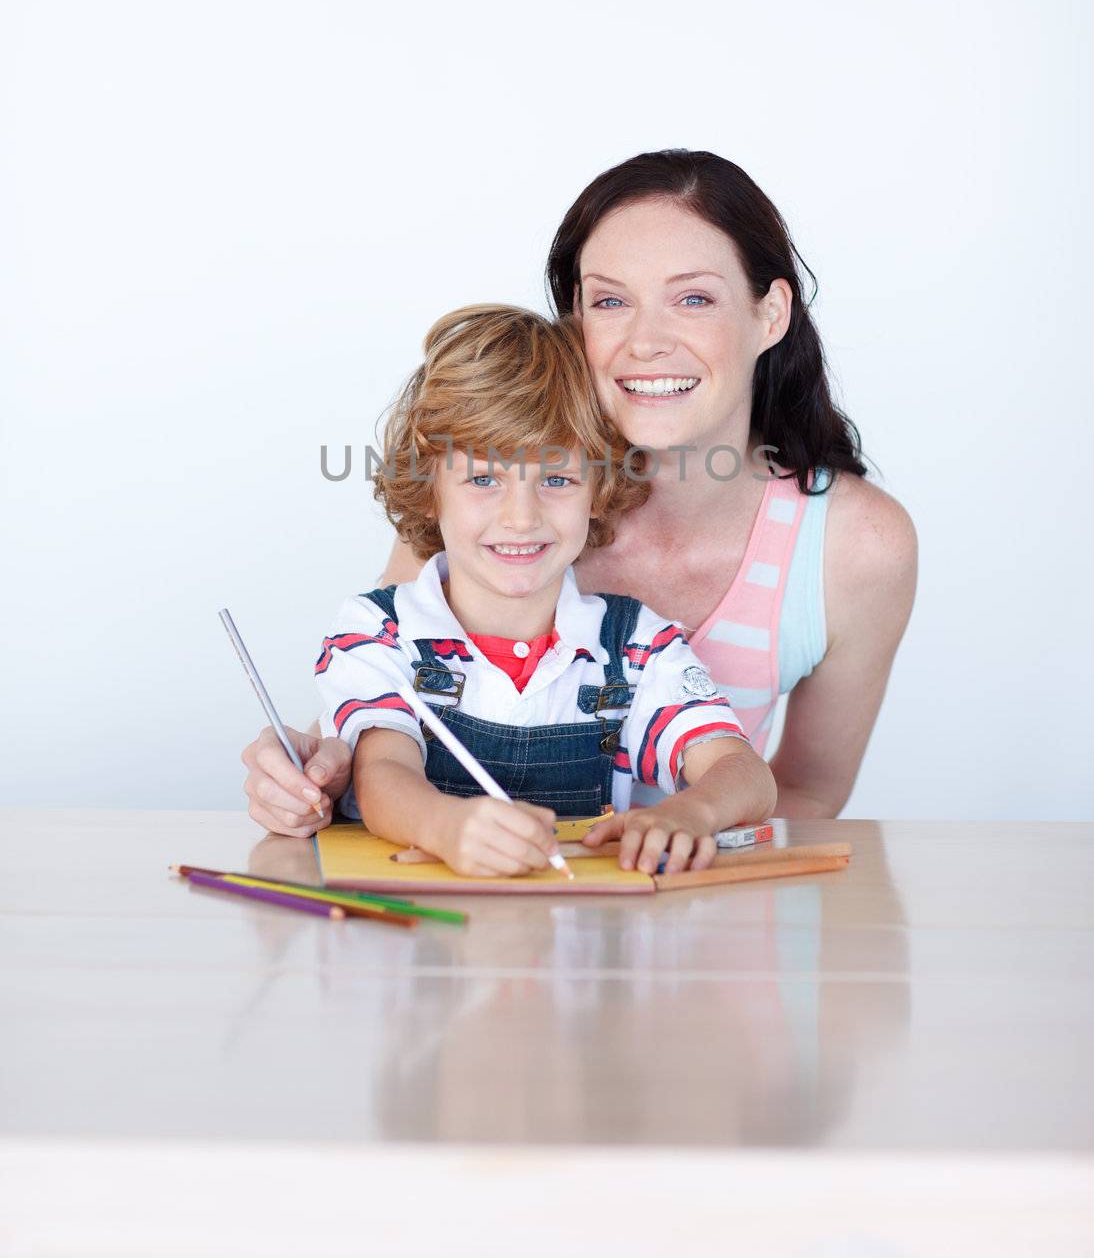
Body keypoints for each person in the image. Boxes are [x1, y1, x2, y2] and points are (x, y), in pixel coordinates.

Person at [242, 149, 916, 835]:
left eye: (693, 298)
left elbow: (802, 796)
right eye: (611, 300)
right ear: (574, 320)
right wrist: (307, 778)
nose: (646, 341)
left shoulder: (854, 549)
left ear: (770, 314)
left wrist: (665, 870)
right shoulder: (487, 522)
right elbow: (375, 733)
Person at [315, 303, 775, 877]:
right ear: (429, 488)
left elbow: (745, 772)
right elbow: (381, 774)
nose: (520, 518)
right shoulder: (379, 632)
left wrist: (691, 813)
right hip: (422, 940)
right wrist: (444, 827)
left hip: (583, 942)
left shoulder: (634, 647)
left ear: (598, 488)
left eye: (556, 479)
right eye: (483, 479)